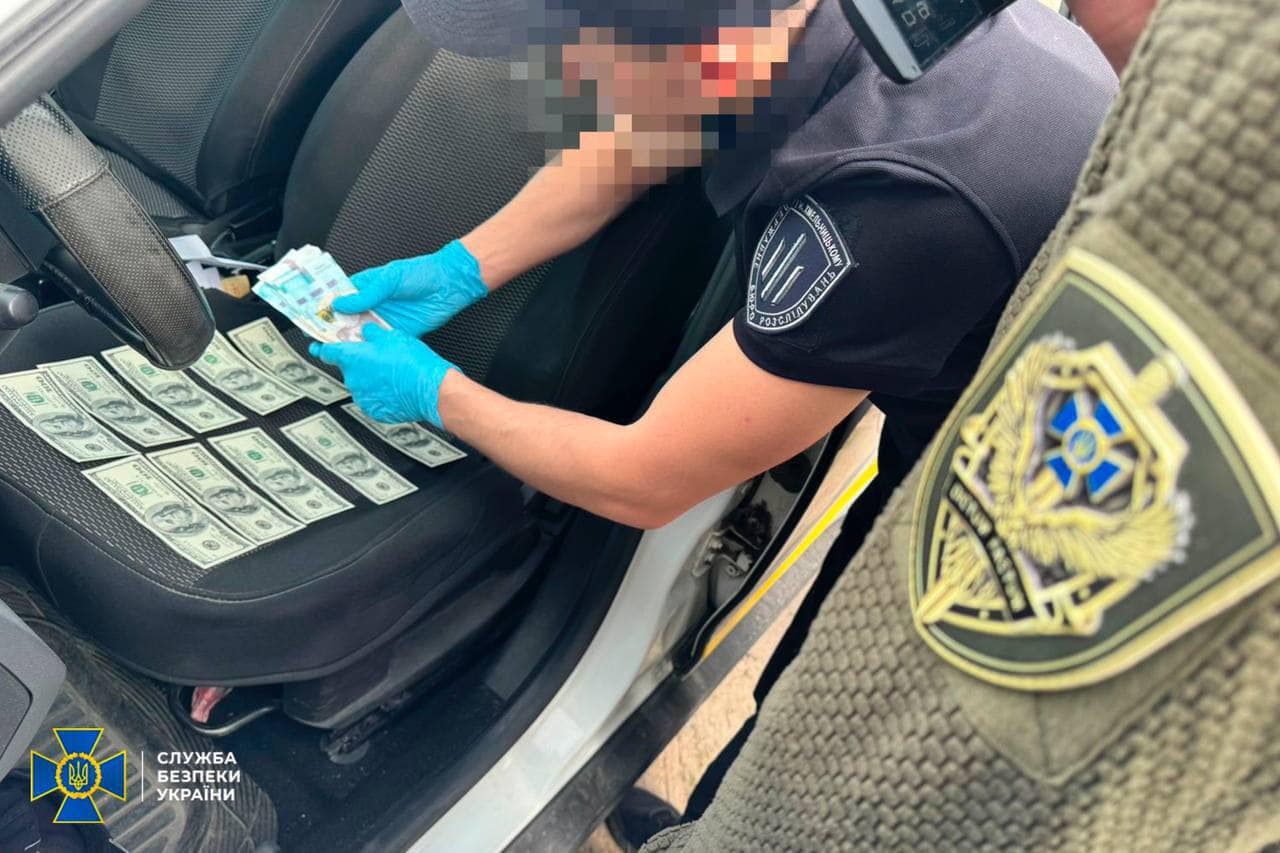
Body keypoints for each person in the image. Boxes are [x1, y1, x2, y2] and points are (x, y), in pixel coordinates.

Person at [310, 0, 1115, 840]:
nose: (560, 74)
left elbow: (643, 477)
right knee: (808, 678)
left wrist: (436, 392)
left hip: (1049, 500)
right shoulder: (795, 30)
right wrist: (461, 267)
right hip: (1004, 333)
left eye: (576, 49)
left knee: (831, 733)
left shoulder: (895, 204)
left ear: (716, 51)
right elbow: (644, 138)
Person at [636, 0, 1280, 848]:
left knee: (863, 722)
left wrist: (455, 397)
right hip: (973, 432)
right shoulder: (1156, 66)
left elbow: (645, 477)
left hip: (1036, 565)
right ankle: (711, 816)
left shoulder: (911, 196)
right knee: (826, 663)